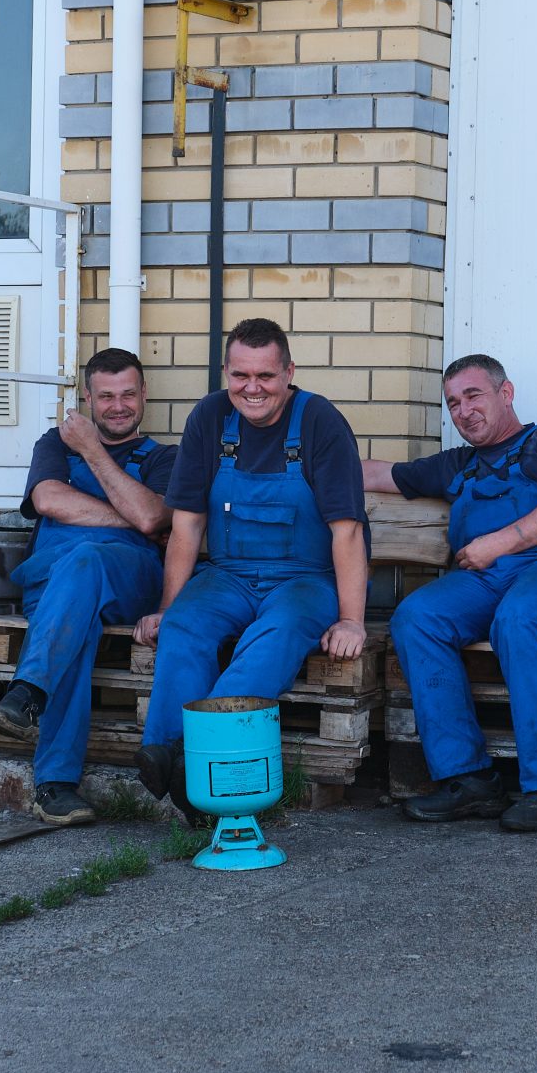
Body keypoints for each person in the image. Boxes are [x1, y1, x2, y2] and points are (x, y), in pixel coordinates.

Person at [366, 355, 537, 833]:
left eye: (473, 395)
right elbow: (376, 474)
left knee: (520, 619)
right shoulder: (458, 465)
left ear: (506, 393)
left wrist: (499, 543)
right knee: (416, 617)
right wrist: (298, 464)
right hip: (485, 580)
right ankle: (469, 779)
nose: (464, 410)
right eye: (453, 403)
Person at [132, 319, 368, 801]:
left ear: (288, 373)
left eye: (265, 376)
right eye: (240, 375)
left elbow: (347, 530)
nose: (252, 388)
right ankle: (163, 752)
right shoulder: (211, 417)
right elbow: (187, 525)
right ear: (227, 373)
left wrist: (351, 620)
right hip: (227, 576)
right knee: (183, 626)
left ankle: (194, 753)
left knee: (277, 633)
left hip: (304, 580)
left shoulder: (320, 421)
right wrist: (167, 608)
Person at [0, 349, 174, 825]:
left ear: (144, 395)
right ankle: (56, 791)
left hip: (129, 580)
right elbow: (49, 499)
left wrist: (92, 452)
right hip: (53, 582)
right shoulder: (53, 443)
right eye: (106, 397)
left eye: (128, 394)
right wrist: (131, 516)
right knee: (74, 619)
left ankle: (27, 695)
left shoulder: (166, 457)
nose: (118, 406)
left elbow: (154, 516)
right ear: (87, 398)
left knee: (86, 560)